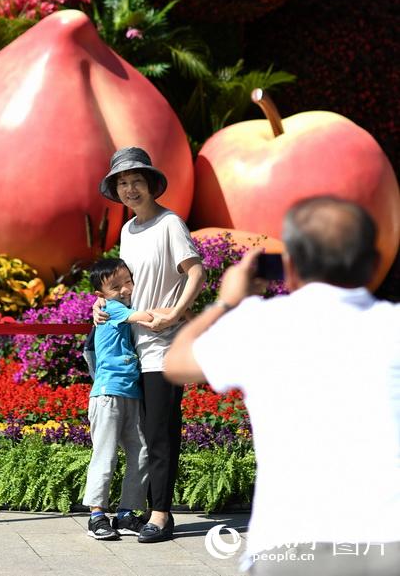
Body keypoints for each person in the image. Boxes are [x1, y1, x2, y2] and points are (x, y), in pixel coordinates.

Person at [165, 195, 400, 574]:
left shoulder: (259, 324)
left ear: (288, 267)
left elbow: (176, 363)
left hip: (292, 546)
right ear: (374, 264)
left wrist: (225, 303)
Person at [96, 147, 206, 543]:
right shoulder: (128, 231)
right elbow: (123, 285)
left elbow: (197, 272)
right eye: (121, 183)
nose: (129, 189)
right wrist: (101, 303)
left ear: (150, 184)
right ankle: (141, 507)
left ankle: (161, 514)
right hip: (130, 347)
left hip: (164, 347)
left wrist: (176, 313)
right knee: (139, 436)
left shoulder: (170, 224)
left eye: (135, 181)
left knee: (160, 433)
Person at [83, 256, 155, 540]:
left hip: (130, 394)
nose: (126, 289)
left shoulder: (113, 305)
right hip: (107, 395)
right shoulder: (111, 308)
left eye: (128, 281)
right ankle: (96, 516)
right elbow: (146, 318)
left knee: (140, 453)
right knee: (105, 455)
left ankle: (126, 513)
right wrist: (178, 311)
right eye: (116, 286)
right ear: (101, 295)